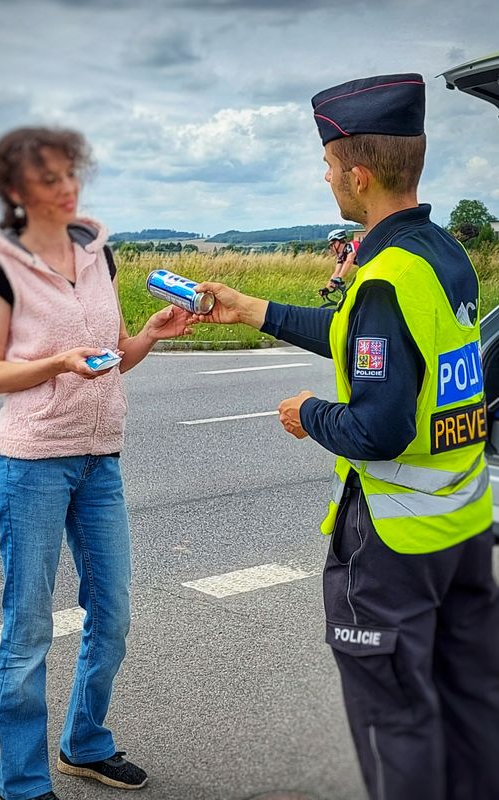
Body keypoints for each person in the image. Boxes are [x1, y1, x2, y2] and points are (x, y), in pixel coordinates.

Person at [191, 74, 499, 800]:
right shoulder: (441, 255)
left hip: (390, 548)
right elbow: (374, 343)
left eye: (328, 166)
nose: (326, 176)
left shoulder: (381, 278)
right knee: (471, 705)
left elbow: (377, 426)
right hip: (460, 529)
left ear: (356, 175)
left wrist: (309, 415)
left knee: (398, 727)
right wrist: (254, 309)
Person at [0, 126, 193, 800]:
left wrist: (149, 335)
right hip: (33, 463)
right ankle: (24, 784)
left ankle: (84, 742)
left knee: (113, 614)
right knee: (28, 630)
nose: (67, 189)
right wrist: (56, 363)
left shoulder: (101, 254)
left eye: (71, 176)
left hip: (100, 461)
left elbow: (113, 351)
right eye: (50, 180)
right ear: (16, 191)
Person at [322, 227, 359, 294]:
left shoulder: (352, 245)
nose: (331, 247)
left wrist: (339, 278)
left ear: (338, 242)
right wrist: (327, 288)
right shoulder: (341, 255)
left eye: (332, 244)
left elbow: (349, 261)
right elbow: (336, 273)